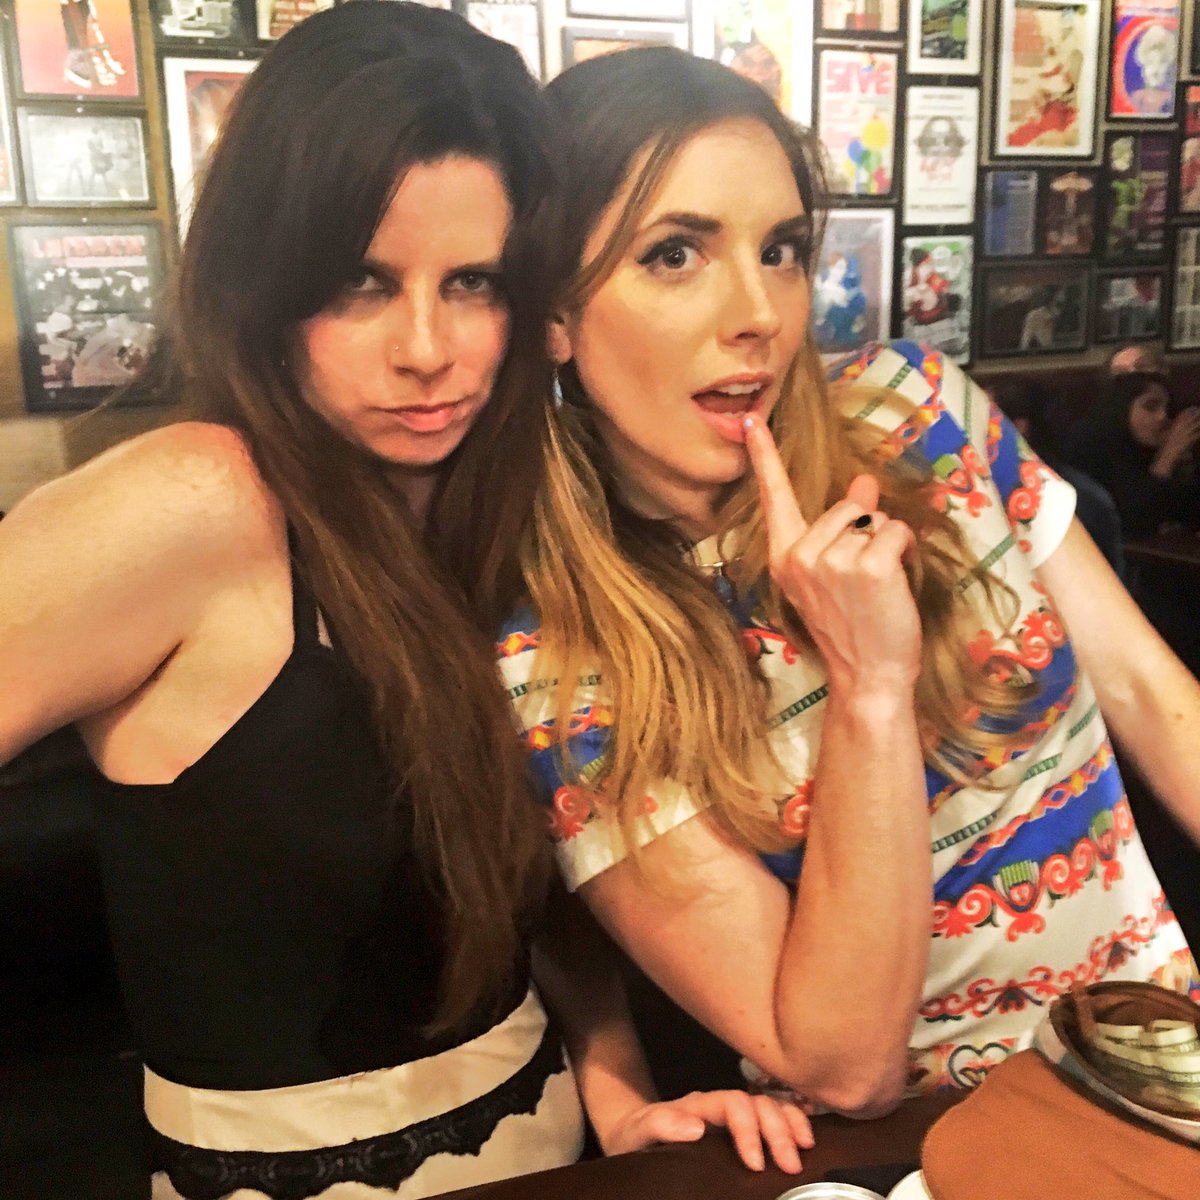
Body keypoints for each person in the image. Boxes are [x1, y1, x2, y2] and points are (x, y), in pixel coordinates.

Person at [0, 9, 810, 1199]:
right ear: (265, 279)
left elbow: (523, 887)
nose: (427, 350)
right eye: (361, 283)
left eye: (474, 283)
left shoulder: (509, 513)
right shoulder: (197, 501)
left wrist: (619, 1093)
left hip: (551, 1156)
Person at [499, 46, 1200, 1115]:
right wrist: (871, 688)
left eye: (781, 250)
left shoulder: (916, 409)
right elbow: (843, 1066)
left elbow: (1152, 694)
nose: (759, 312)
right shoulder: (558, 660)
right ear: (555, 313)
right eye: (675, 254)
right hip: (911, 1148)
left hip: (1159, 1060)